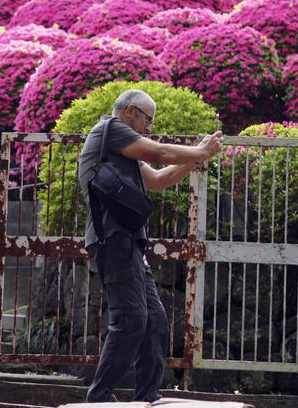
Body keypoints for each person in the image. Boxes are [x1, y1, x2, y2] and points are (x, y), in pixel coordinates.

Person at [77, 89, 224, 403]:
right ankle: (99, 395)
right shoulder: (111, 130)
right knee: (130, 319)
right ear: (131, 111)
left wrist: (200, 156)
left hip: (128, 243)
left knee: (154, 320)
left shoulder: (119, 149)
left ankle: (147, 396)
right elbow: (159, 153)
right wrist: (199, 152)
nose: (149, 127)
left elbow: (158, 179)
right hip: (112, 241)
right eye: (148, 119)